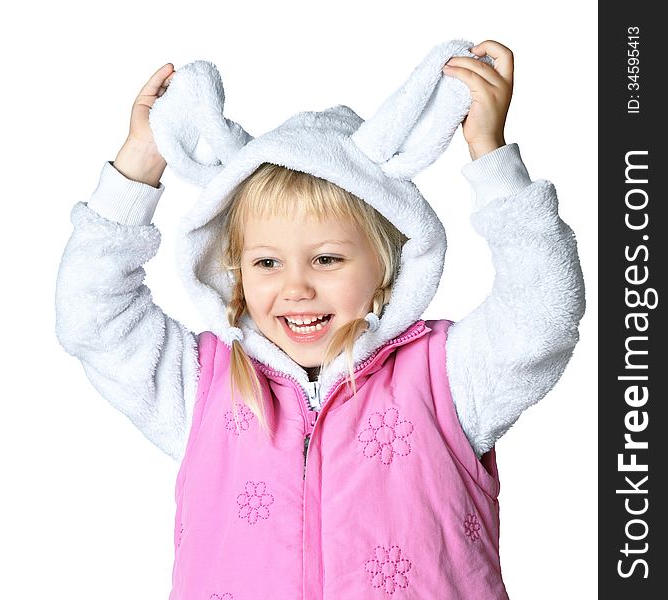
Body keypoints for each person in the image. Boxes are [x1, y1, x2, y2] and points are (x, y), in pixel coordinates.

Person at [55, 39, 585, 599]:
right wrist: (137, 167)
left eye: (327, 259)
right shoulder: (201, 386)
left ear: (386, 262)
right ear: (236, 270)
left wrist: (493, 161)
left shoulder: (446, 377)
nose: (296, 288)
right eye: (267, 262)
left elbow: (542, 311)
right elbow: (93, 316)